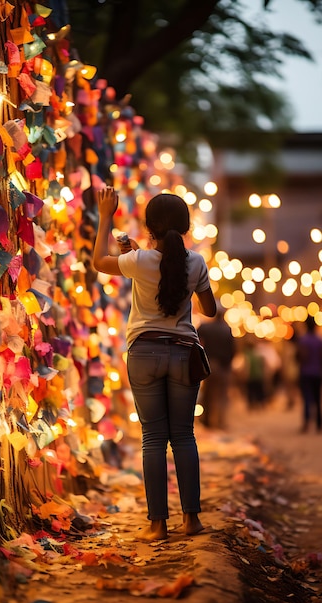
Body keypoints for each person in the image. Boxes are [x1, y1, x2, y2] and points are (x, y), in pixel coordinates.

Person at [93, 187, 216, 541]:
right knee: (183, 436)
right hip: (183, 354)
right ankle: (192, 520)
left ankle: (157, 525)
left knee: (153, 439)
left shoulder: (140, 260)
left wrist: (105, 216)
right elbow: (210, 311)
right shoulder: (196, 262)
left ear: (150, 228)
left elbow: (99, 262)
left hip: (144, 354)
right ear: (187, 227)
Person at [197, 304, 234, 429]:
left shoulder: (205, 327)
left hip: (208, 365)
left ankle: (206, 420)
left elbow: (195, 340)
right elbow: (233, 349)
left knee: (207, 394)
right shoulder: (227, 329)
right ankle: (220, 421)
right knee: (222, 395)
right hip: (223, 366)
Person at [297, 316, 322, 433]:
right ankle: (319, 424)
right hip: (318, 373)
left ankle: (306, 422)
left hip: (306, 373)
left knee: (307, 399)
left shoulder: (303, 340)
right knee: (318, 399)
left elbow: (300, 356)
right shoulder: (320, 340)